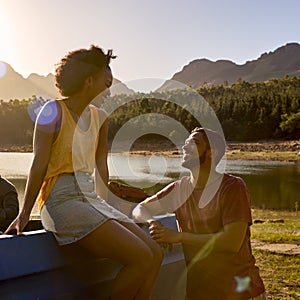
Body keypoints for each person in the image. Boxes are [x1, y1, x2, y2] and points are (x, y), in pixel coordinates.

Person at [5, 45, 162, 300]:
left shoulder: (101, 118)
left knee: (154, 254)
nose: (109, 87)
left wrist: (112, 207)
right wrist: (24, 215)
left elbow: (101, 170)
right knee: (142, 258)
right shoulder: (52, 111)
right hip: (60, 200)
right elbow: (39, 165)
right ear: (89, 80)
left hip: (90, 199)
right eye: (106, 80)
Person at [132, 127, 266, 300]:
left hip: (239, 292)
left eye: (193, 143)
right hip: (199, 291)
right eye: (186, 142)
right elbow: (140, 209)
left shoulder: (233, 187)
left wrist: (179, 237)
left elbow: (231, 242)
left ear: (212, 153)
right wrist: (153, 222)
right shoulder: (179, 188)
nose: (184, 147)